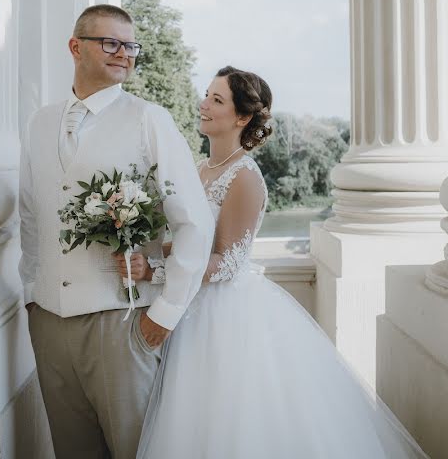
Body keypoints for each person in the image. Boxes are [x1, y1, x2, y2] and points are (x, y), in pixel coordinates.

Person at [122, 66, 428, 458]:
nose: (203, 105)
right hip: (188, 306)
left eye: (217, 100)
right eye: (207, 95)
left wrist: (157, 272)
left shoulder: (244, 176)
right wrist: (149, 256)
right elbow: (191, 242)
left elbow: (227, 261)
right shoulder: (200, 169)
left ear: (242, 117)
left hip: (223, 316)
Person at [18, 4, 214, 459]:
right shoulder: (40, 122)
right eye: (111, 43)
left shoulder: (150, 119)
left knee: (136, 450)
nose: (124, 54)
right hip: (49, 321)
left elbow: (194, 222)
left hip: (122, 323)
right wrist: (32, 293)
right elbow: (30, 212)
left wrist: (163, 316)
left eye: (130, 46)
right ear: (75, 47)